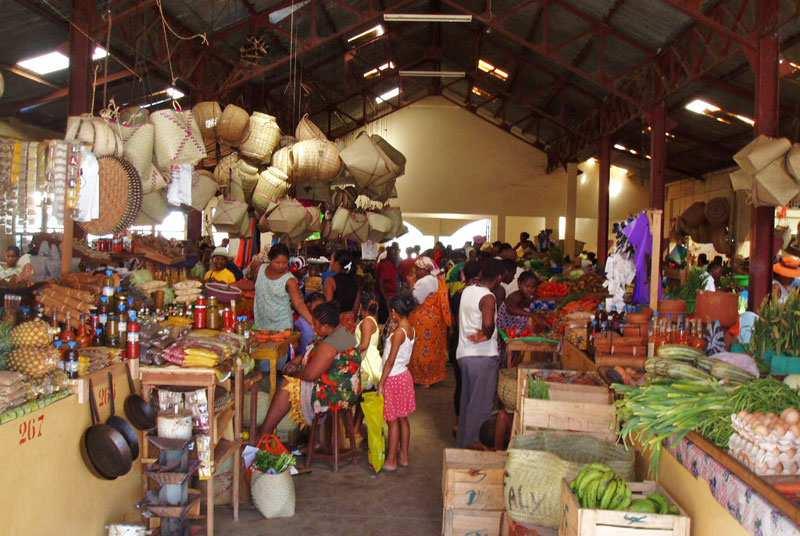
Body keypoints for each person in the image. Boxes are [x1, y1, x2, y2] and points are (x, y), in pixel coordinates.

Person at [258, 302, 360, 437]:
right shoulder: (340, 332)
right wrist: (298, 361)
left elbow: (310, 375)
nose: (313, 327)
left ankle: (265, 432)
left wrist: (293, 372)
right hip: (349, 391)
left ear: (326, 326)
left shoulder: (329, 345)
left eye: (316, 324)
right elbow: (314, 349)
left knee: (287, 385)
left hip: (337, 395)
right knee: (291, 382)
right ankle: (268, 432)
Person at [457, 258, 502, 448]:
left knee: (468, 402)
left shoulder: (467, 291)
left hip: (465, 355)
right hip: (482, 357)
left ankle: (463, 442)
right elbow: (489, 323)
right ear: (499, 278)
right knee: (481, 407)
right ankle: (474, 446)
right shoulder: (488, 296)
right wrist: (485, 334)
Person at [379, 292, 418, 470]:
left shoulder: (398, 334)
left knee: (392, 421)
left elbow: (390, 360)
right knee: (403, 418)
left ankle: (391, 460)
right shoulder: (410, 329)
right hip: (404, 376)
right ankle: (404, 457)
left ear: (394, 312)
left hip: (393, 378)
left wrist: (381, 383)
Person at [407, 257, 452, 387]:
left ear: (425, 270)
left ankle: (424, 378)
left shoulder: (424, 282)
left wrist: (410, 285)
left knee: (422, 349)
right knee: (434, 347)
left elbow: (415, 299)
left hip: (424, 321)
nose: (415, 271)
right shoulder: (435, 279)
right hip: (435, 319)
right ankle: (433, 376)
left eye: (417, 269)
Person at [254, 243, 314, 331]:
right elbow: (254, 285)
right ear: (270, 259)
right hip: (261, 323)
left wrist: (312, 322)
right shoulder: (260, 269)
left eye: (285, 262)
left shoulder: (289, 280)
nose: (281, 266)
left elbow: (298, 303)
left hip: (282, 326)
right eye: (277, 262)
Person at [449, 260, 481, 420]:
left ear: (463, 275)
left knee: (461, 383)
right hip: (473, 344)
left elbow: (454, 319)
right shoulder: (481, 296)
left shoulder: (458, 294)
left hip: (458, 342)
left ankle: (459, 419)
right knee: (472, 385)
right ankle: (469, 419)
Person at [497, 271, 542, 366]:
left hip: (515, 328)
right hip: (505, 327)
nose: (530, 289)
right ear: (519, 284)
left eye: (533, 287)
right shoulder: (515, 296)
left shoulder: (528, 296)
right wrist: (531, 315)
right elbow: (512, 309)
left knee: (517, 353)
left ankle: (515, 362)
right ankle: (506, 367)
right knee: (505, 352)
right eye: (527, 286)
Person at [324, 249, 360, 331]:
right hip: (350, 325)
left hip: (336, 326)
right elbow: (355, 309)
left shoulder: (330, 281)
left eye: (332, 260)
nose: (330, 262)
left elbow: (329, 309)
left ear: (337, 263)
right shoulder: (356, 282)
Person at [356, 292, 382, 391]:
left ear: (361, 306)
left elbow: (364, 345)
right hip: (370, 357)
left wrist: (349, 352)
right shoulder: (372, 320)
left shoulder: (367, 321)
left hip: (367, 361)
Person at [376, 245, 400, 323]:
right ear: (389, 254)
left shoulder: (394, 264)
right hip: (386, 297)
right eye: (394, 253)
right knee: (385, 318)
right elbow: (380, 282)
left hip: (393, 296)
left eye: (397, 253)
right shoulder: (383, 264)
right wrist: (385, 297)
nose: (396, 255)